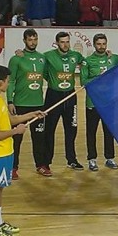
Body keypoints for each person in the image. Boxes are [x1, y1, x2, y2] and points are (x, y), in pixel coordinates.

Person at [0, 65, 44, 236]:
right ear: (0, 82)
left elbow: (11, 120)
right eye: (8, 81)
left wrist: (32, 114)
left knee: (0, 187)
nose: (9, 84)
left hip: (6, 150)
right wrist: (16, 131)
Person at [41, 31, 84, 173]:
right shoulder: (48, 56)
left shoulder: (75, 55)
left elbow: (88, 63)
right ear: (57, 43)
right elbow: (42, 70)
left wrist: (107, 54)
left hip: (70, 96)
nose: (65, 45)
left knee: (71, 128)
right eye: (62, 42)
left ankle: (71, 159)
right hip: (53, 96)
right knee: (49, 129)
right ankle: (46, 162)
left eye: (67, 42)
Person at [7, 29, 47, 180]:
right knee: (16, 138)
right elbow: (11, 81)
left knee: (39, 138)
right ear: (24, 40)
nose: (33, 42)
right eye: (30, 39)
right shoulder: (16, 59)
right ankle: (13, 167)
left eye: (35, 39)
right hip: (20, 104)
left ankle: (41, 165)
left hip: (38, 104)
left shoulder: (42, 58)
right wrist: (10, 101)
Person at [80, 33, 118, 171]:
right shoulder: (87, 61)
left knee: (109, 131)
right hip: (92, 103)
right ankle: (92, 159)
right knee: (91, 132)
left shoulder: (113, 58)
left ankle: (110, 158)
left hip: (109, 102)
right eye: (99, 44)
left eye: (104, 44)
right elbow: (83, 82)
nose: (102, 46)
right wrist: (99, 78)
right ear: (94, 45)